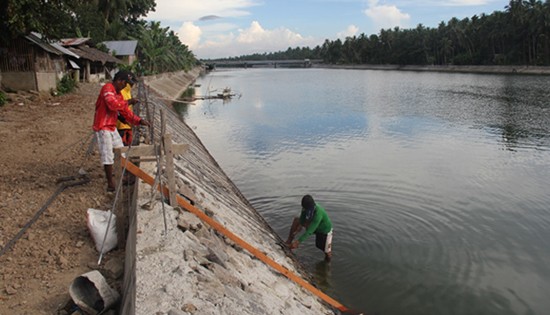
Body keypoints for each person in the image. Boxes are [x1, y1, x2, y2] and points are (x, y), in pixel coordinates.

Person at [93, 70, 150, 192]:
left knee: (120, 150)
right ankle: (111, 183)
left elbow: (126, 113)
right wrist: (128, 101)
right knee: (107, 154)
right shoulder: (107, 88)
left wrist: (139, 121)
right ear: (119, 81)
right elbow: (112, 105)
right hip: (103, 127)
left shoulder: (118, 95)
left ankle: (122, 175)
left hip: (111, 126)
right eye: (124, 84)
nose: (125, 87)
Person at [286, 194, 333, 261]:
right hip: (313, 226)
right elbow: (302, 219)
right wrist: (299, 227)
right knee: (296, 220)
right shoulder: (304, 209)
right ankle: (288, 242)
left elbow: (309, 231)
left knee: (326, 251)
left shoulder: (318, 213)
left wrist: (298, 242)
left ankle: (327, 265)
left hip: (324, 230)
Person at [116, 73, 138, 146]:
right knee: (122, 144)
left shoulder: (128, 91)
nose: (133, 85)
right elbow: (120, 107)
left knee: (128, 144)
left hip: (127, 122)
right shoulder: (122, 91)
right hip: (122, 124)